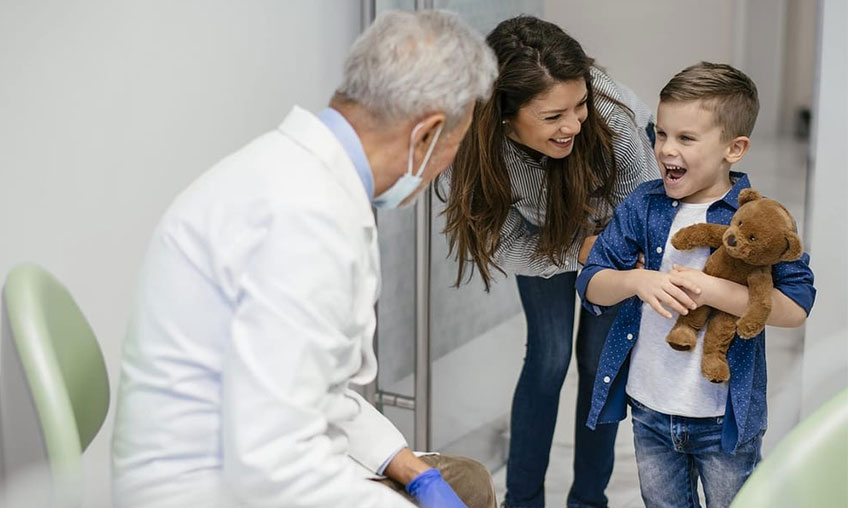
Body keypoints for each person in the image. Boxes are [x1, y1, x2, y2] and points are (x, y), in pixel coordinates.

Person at [111, 10, 499, 508]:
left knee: (465, 479)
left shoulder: (294, 176)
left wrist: (409, 467)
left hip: (246, 458)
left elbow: (314, 389)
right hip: (208, 491)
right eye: (457, 145)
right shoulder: (306, 217)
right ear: (425, 135)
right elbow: (277, 468)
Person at [438, 16, 658, 508]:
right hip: (541, 241)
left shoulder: (613, 122)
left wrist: (599, 254)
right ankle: (523, 501)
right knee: (549, 357)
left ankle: (588, 500)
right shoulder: (476, 147)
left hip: (616, 241)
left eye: (579, 105)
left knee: (601, 364)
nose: (574, 123)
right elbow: (505, 242)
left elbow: (638, 219)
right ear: (504, 114)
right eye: (553, 115)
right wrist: (571, 251)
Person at [576, 62, 816, 508]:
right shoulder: (642, 206)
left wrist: (716, 292)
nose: (666, 149)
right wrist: (636, 280)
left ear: (735, 148)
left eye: (686, 138)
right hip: (649, 408)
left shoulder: (758, 220)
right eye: (661, 134)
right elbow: (591, 282)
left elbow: (797, 305)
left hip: (722, 419)